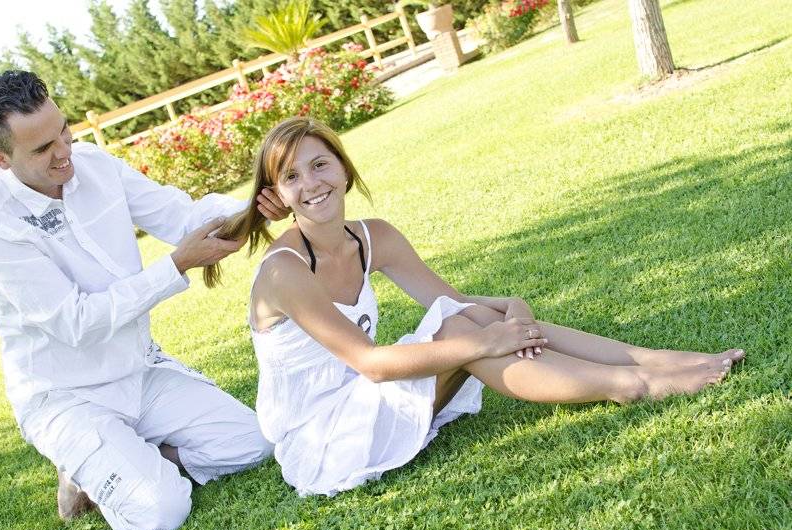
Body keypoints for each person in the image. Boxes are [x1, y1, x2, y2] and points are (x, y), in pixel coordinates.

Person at [211, 117, 745, 497]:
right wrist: (488, 339)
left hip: (361, 401)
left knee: (465, 320)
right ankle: (634, 387)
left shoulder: (373, 236)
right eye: (293, 177)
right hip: (324, 440)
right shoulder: (285, 271)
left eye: (320, 165)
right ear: (278, 195)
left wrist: (504, 306)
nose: (312, 185)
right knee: (460, 338)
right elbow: (370, 363)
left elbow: (453, 302)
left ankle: (646, 359)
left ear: (344, 170)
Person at [0, 70, 289, 530]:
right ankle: (85, 465)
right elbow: (76, 323)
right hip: (66, 396)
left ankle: (118, 458)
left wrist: (256, 205)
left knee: (256, 443)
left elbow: (181, 216)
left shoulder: (93, 163)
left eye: (63, 131)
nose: (63, 152)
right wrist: (177, 265)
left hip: (139, 370)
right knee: (160, 511)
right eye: (41, 149)